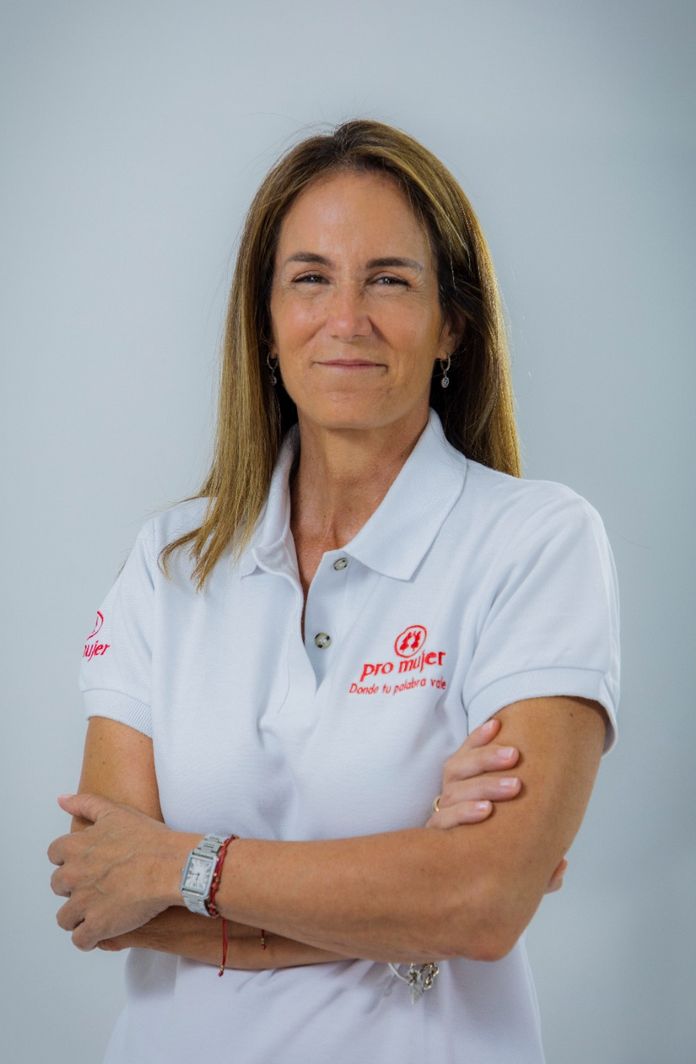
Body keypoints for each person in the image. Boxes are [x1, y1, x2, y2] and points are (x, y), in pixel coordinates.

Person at [48, 118, 620, 1063]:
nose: (346, 319)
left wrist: (179, 865)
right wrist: (411, 884)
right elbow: (104, 897)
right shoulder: (170, 560)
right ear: (266, 323)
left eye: (389, 280)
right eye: (310, 278)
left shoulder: (536, 541)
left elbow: (481, 905)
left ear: (452, 323)